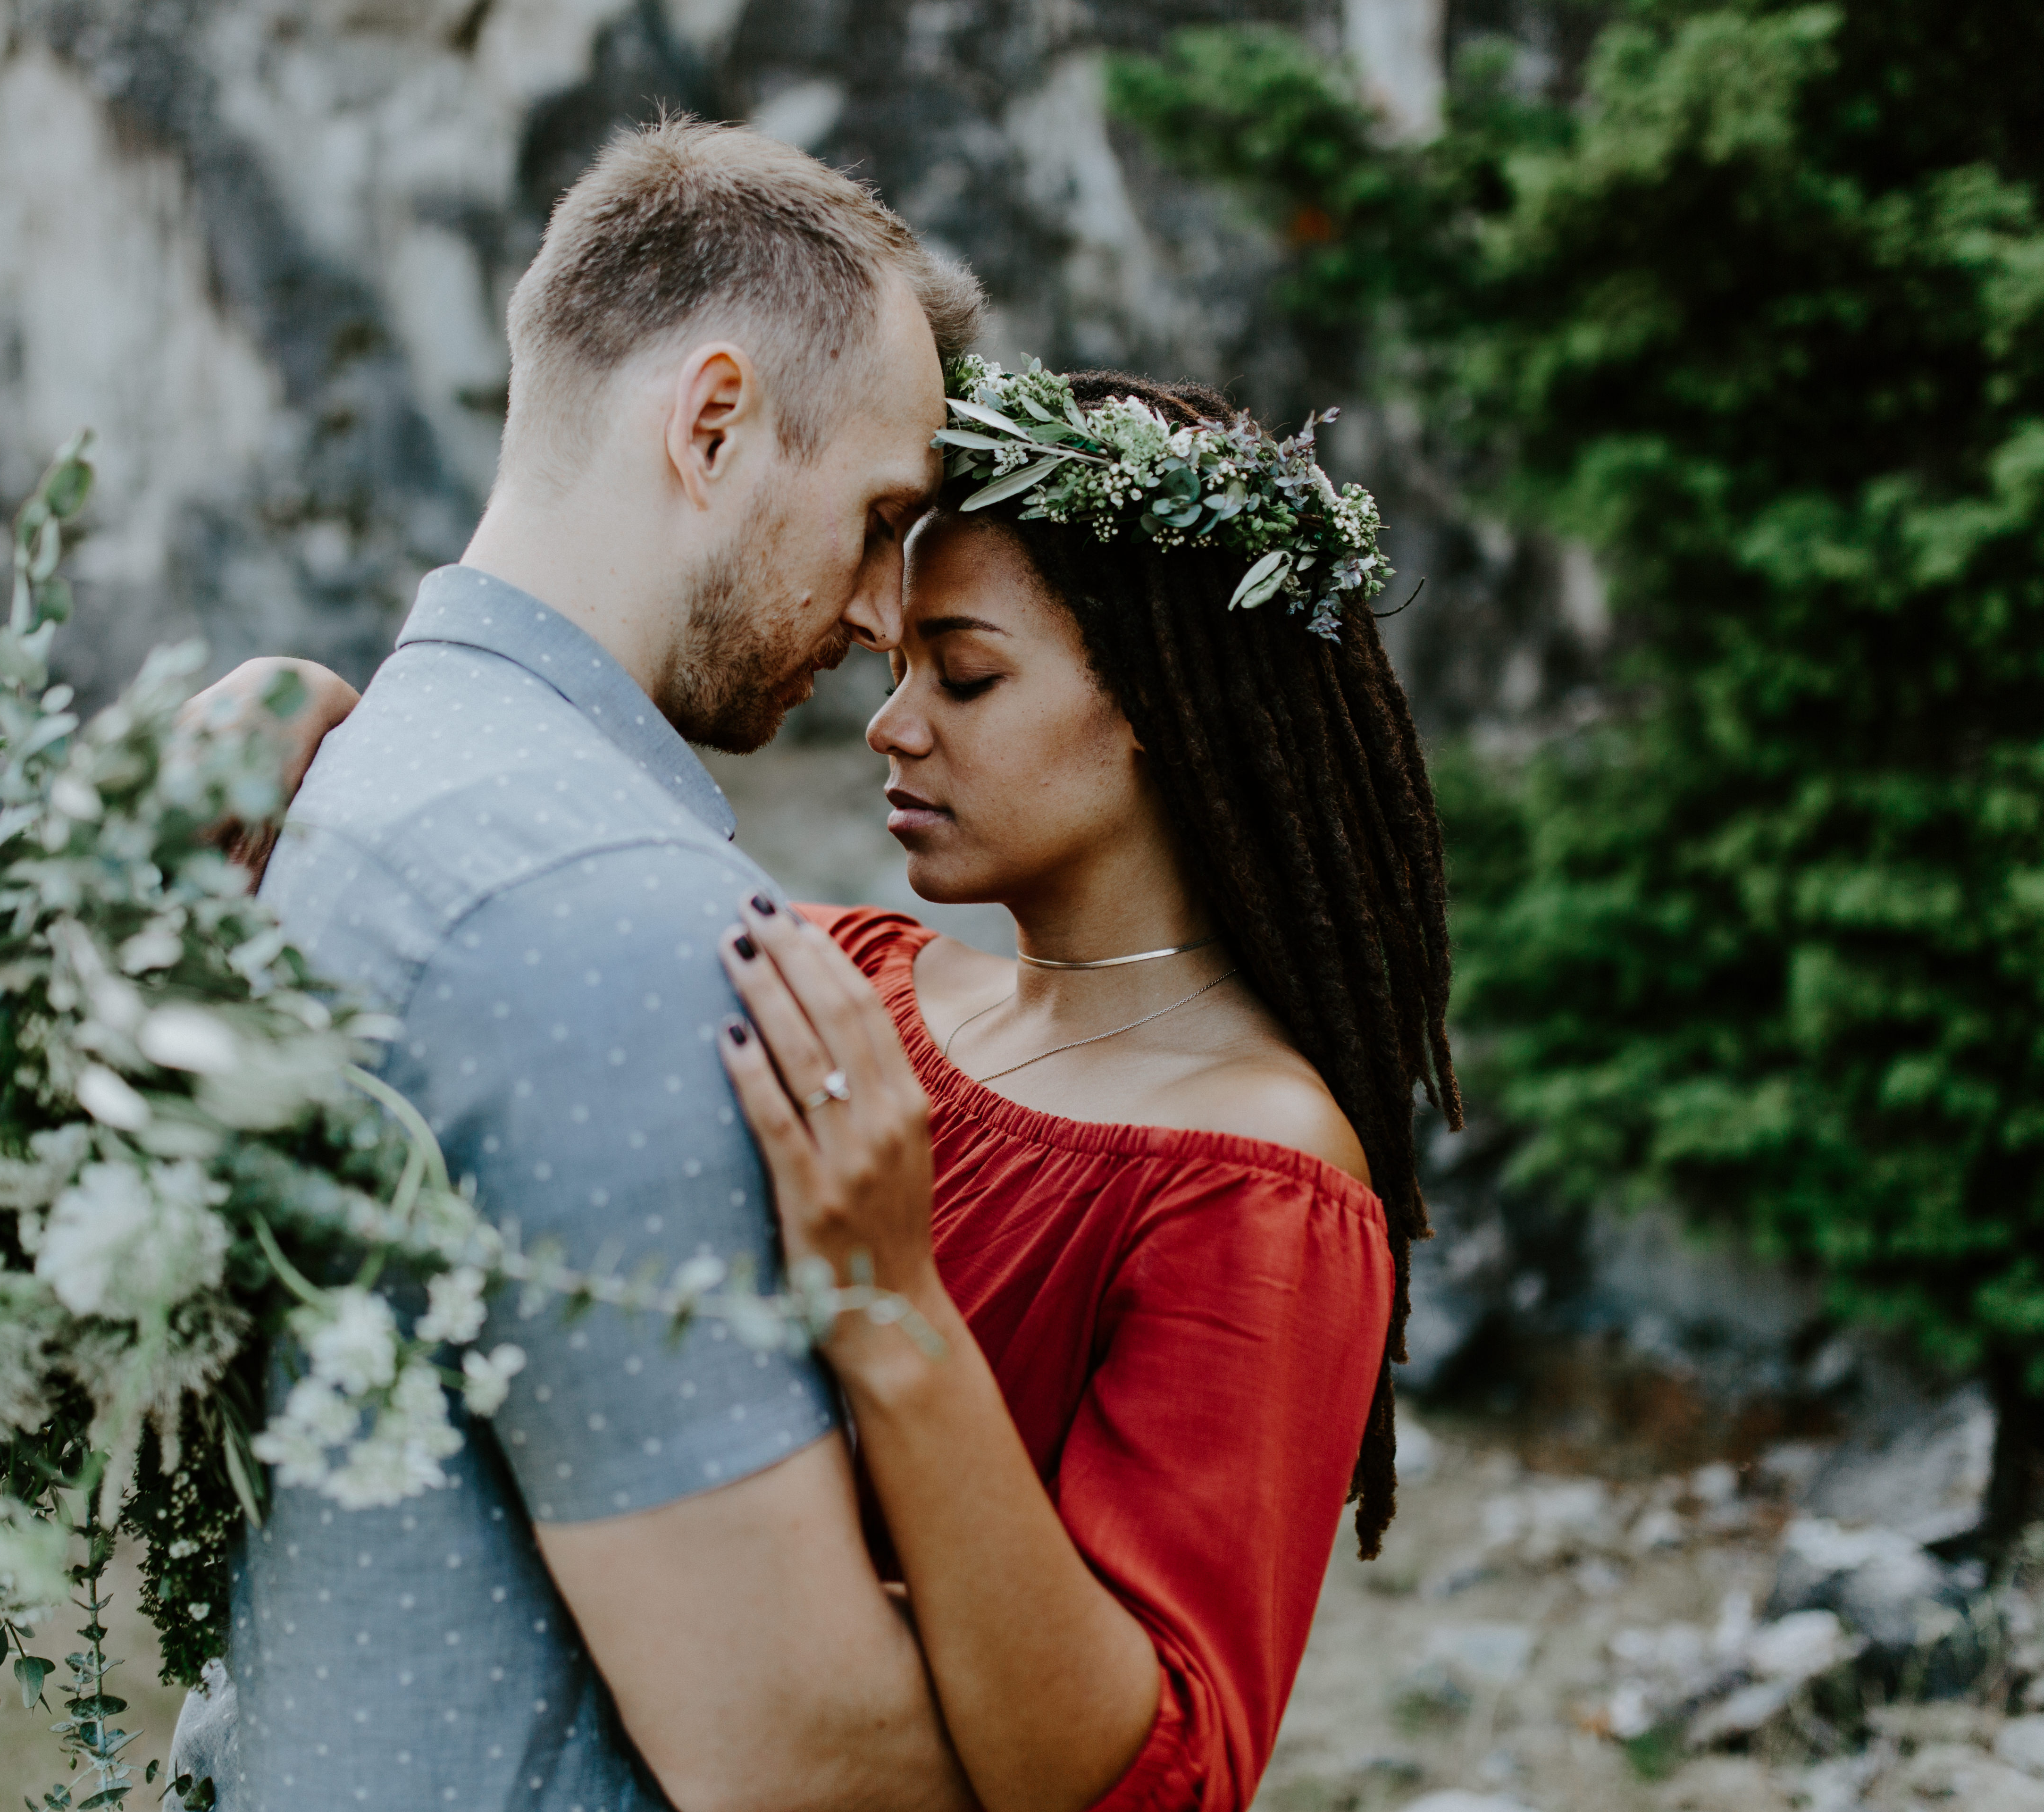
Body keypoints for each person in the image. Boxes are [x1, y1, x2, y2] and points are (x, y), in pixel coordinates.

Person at [218, 368, 1461, 1809]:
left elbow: (1157, 1777)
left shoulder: (1257, 1176)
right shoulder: (853, 980)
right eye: (895, 673)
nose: (893, 725)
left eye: (967, 675)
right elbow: (543, 951)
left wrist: (894, 1313)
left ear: (1171, 712)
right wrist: (314, 716)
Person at [167, 117, 989, 1811]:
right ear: (712, 424)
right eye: (877, 515)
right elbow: (805, 1763)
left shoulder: (349, 780)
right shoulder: (610, 918)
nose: (884, 618)